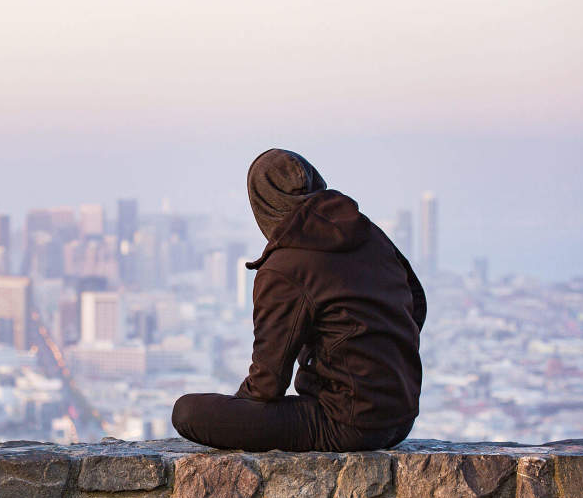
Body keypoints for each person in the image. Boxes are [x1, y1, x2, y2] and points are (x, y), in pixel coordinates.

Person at [171, 149, 426, 452]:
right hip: (401, 417)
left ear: (262, 204)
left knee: (186, 412)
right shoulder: (369, 233)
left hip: (344, 424)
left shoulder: (284, 268)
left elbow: (266, 384)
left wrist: (241, 411)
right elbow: (416, 302)